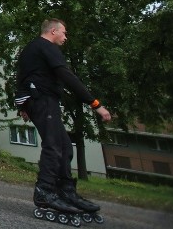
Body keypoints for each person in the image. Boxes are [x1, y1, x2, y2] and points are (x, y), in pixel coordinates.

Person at [15, 18, 111, 219]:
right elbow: (67, 76)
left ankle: (65, 190)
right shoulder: (45, 47)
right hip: (42, 99)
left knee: (65, 146)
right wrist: (95, 104)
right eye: (64, 33)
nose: (65, 37)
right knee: (54, 145)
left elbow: (23, 76)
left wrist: (23, 105)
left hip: (37, 99)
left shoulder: (32, 49)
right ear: (53, 31)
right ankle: (45, 191)